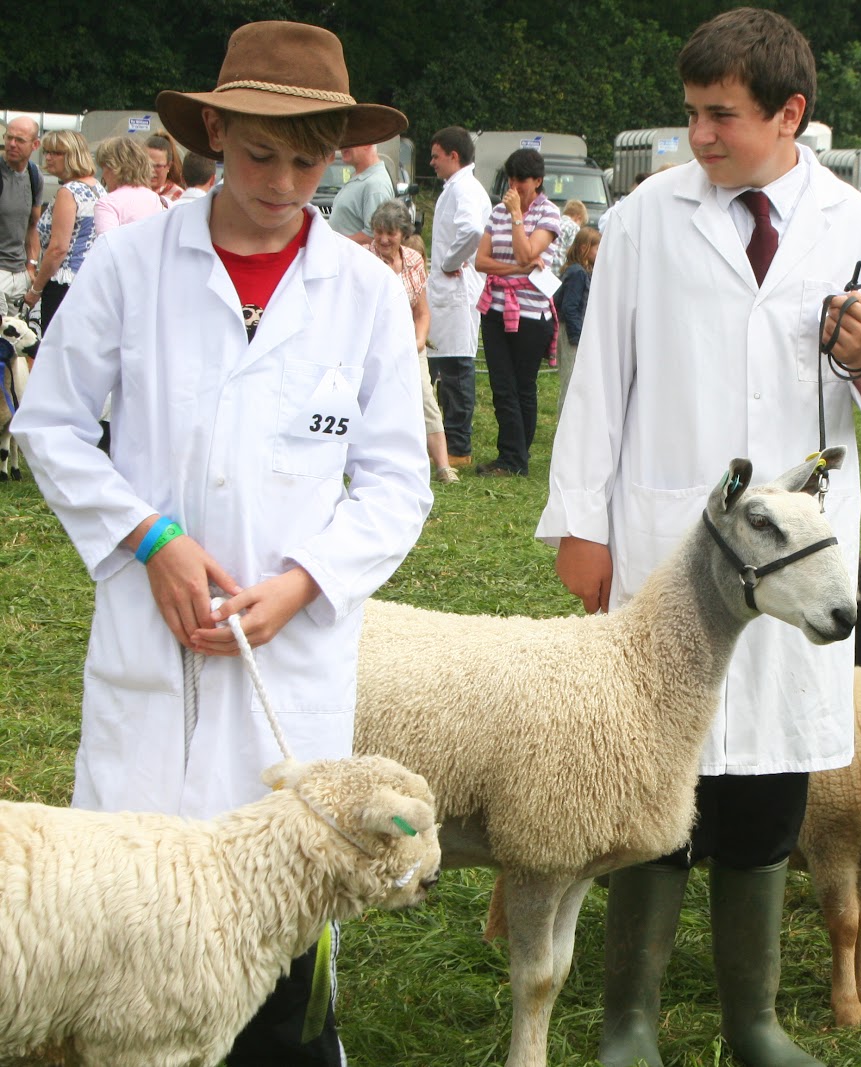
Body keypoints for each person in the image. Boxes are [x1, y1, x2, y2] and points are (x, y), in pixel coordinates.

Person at [11, 22, 432, 1066]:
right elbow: (51, 421)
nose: (283, 180)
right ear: (212, 134)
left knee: (281, 913)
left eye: (308, 157)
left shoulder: (366, 294)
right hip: (155, 647)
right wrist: (148, 536)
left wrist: (304, 581)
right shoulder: (136, 263)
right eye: (257, 153)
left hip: (285, 658)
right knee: (119, 941)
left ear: (337, 153)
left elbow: (394, 481)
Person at [536, 9, 861, 1065]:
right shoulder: (646, 219)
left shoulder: (856, 227)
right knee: (654, 764)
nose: (698, 137)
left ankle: (752, 1020)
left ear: (788, 113)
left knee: (766, 773)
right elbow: (598, 382)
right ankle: (630, 1020)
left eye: (721, 117)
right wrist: (581, 522)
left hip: (794, 551)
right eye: (691, 114)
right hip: (666, 526)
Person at [473, 147, 560, 477]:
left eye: (521, 179)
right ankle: (510, 455)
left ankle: (515, 457)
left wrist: (516, 217)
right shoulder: (496, 212)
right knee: (501, 385)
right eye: (510, 178)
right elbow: (481, 261)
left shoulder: (548, 214)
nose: (514, 185)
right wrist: (516, 269)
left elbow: (527, 250)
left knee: (522, 386)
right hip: (495, 308)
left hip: (531, 314)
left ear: (537, 181)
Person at [369, 197, 455, 484]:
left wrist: (417, 343)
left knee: (425, 397)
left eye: (390, 233)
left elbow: (422, 311)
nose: (383, 239)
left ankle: (443, 467)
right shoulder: (363, 259)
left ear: (403, 234)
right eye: (379, 231)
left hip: (408, 343)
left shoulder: (415, 260)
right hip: (372, 343)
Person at [424, 125, 492, 469]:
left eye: (436, 156)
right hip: (446, 290)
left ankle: (459, 447)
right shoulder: (456, 187)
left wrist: (451, 261)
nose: (431, 162)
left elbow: (471, 230)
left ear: (454, 156)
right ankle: (446, 441)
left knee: (456, 369)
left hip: (457, 288)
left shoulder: (464, 188)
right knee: (444, 368)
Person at [24, 130, 101, 335]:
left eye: (56, 152)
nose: (48, 157)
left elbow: (58, 248)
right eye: (47, 151)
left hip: (63, 284)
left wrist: (36, 289)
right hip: (89, 282)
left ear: (73, 155)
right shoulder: (96, 187)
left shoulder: (69, 192)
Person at [2, 117, 44, 317]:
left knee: (17, 344)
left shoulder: (34, 175)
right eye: (9, 138)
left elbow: (33, 224)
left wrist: (31, 266)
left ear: (35, 144)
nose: (11, 144)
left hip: (20, 274)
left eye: (19, 140)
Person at [554, 223, 598, 409]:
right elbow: (569, 307)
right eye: (597, 248)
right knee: (571, 383)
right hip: (571, 334)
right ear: (584, 248)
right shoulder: (577, 273)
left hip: (575, 331)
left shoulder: (582, 272)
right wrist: (577, 338)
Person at [92, 136, 166, 235]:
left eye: (103, 168)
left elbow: (107, 246)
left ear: (112, 167)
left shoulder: (107, 204)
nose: (103, 175)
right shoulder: (158, 200)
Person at [328, 141, 393, 246]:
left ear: (367, 143)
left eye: (350, 140)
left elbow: (374, 236)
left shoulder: (376, 185)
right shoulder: (361, 177)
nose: (341, 146)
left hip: (352, 260)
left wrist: (332, 243)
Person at [550, 197, 588, 274]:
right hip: (559, 267)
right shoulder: (574, 227)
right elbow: (571, 251)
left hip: (548, 266)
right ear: (579, 218)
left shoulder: (555, 222)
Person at [145, 131, 186, 203]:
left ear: (169, 166)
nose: (151, 170)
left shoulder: (178, 197)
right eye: (147, 164)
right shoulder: (131, 192)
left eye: (157, 166)